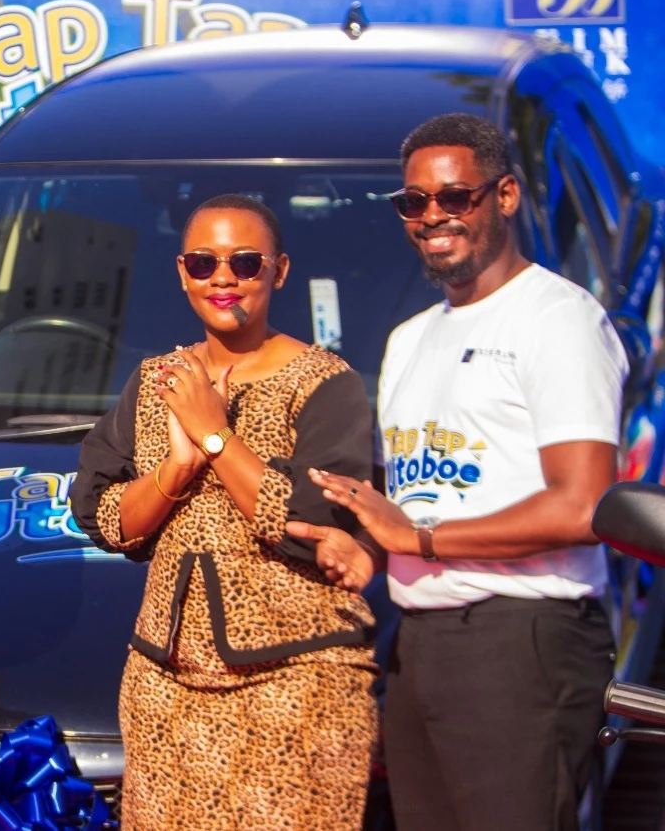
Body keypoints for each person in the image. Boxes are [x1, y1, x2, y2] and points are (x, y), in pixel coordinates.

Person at [292, 113, 623, 831]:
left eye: (455, 198)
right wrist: (367, 546)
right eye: (414, 202)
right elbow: (410, 503)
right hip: (422, 642)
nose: (432, 216)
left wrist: (422, 540)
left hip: (522, 639)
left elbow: (585, 506)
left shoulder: (556, 320)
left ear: (505, 196)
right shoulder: (412, 339)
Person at [70, 194, 382, 830]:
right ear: (182, 272)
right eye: (203, 262)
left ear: (279, 270)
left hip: (298, 681)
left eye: (245, 261)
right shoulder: (158, 380)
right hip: (164, 682)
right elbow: (102, 514)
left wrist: (215, 438)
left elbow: (312, 519)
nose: (223, 278)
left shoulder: (326, 383)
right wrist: (176, 470)